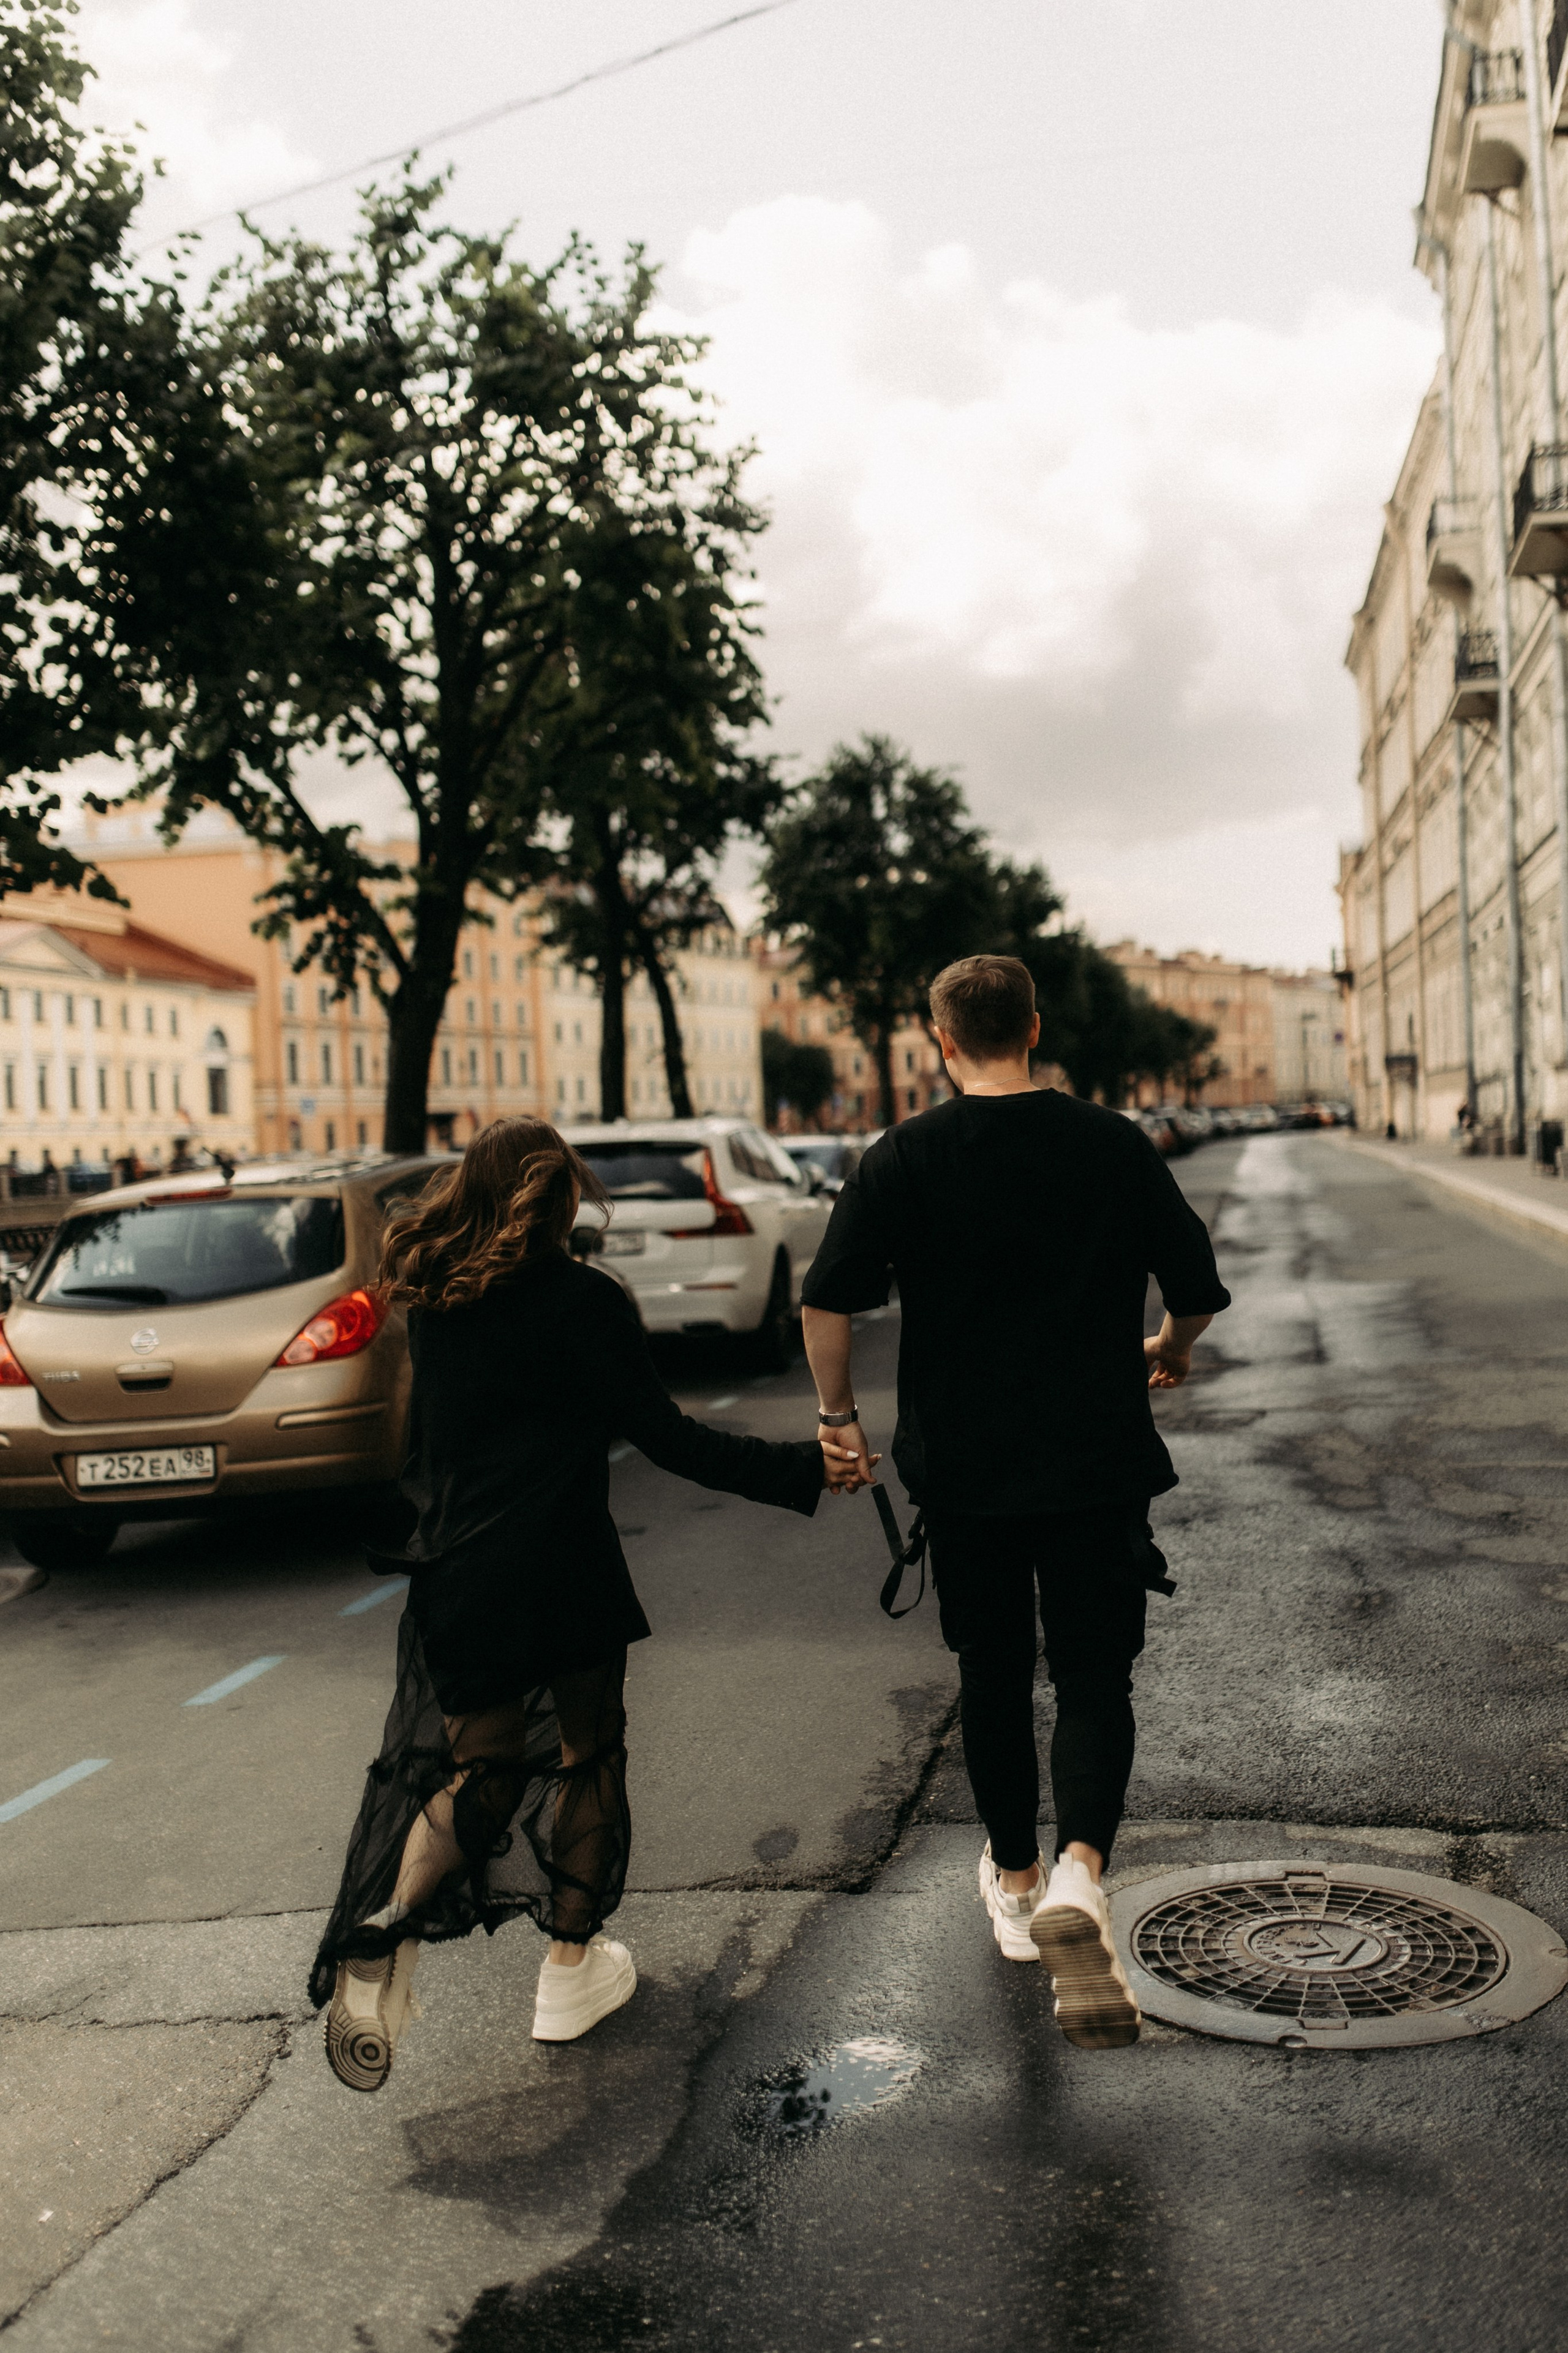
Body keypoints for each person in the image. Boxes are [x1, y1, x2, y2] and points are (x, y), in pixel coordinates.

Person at [313, 1117, 870, 2091]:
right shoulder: (586, 1300)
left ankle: (386, 1925)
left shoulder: (438, 1300)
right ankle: (569, 1970)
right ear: (561, 1196)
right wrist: (803, 1467)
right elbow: (670, 1438)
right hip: (562, 1567)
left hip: (459, 1570)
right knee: (588, 1753)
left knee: (481, 1772)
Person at [801, 955, 1231, 2052]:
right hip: (1093, 1458)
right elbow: (1194, 1285)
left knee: (991, 1673)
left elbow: (828, 1298)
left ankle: (1015, 1881)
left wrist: (839, 1417)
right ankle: (1083, 1871)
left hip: (967, 1469)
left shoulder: (904, 1155)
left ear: (941, 1041)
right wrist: (1169, 1347)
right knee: (1092, 1673)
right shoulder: (1112, 1143)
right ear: (1035, 1029)